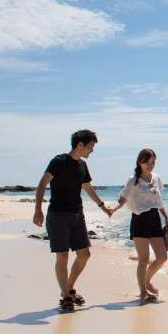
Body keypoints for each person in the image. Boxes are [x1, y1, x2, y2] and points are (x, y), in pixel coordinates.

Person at [33, 129, 111, 311]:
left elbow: (87, 188)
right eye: (90, 146)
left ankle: (67, 288)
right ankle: (67, 295)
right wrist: (38, 210)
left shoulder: (82, 166)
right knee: (63, 255)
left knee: (84, 254)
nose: (92, 150)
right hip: (58, 215)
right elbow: (42, 184)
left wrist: (102, 206)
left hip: (77, 215)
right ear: (80, 145)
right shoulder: (58, 161)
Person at [109, 148, 168, 303]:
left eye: (153, 162)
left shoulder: (156, 178)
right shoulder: (133, 180)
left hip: (154, 219)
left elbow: (158, 201)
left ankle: (147, 280)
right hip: (139, 220)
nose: (150, 165)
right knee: (144, 259)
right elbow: (123, 198)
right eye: (147, 162)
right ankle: (143, 291)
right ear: (140, 162)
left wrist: (167, 218)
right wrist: (114, 209)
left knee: (162, 257)